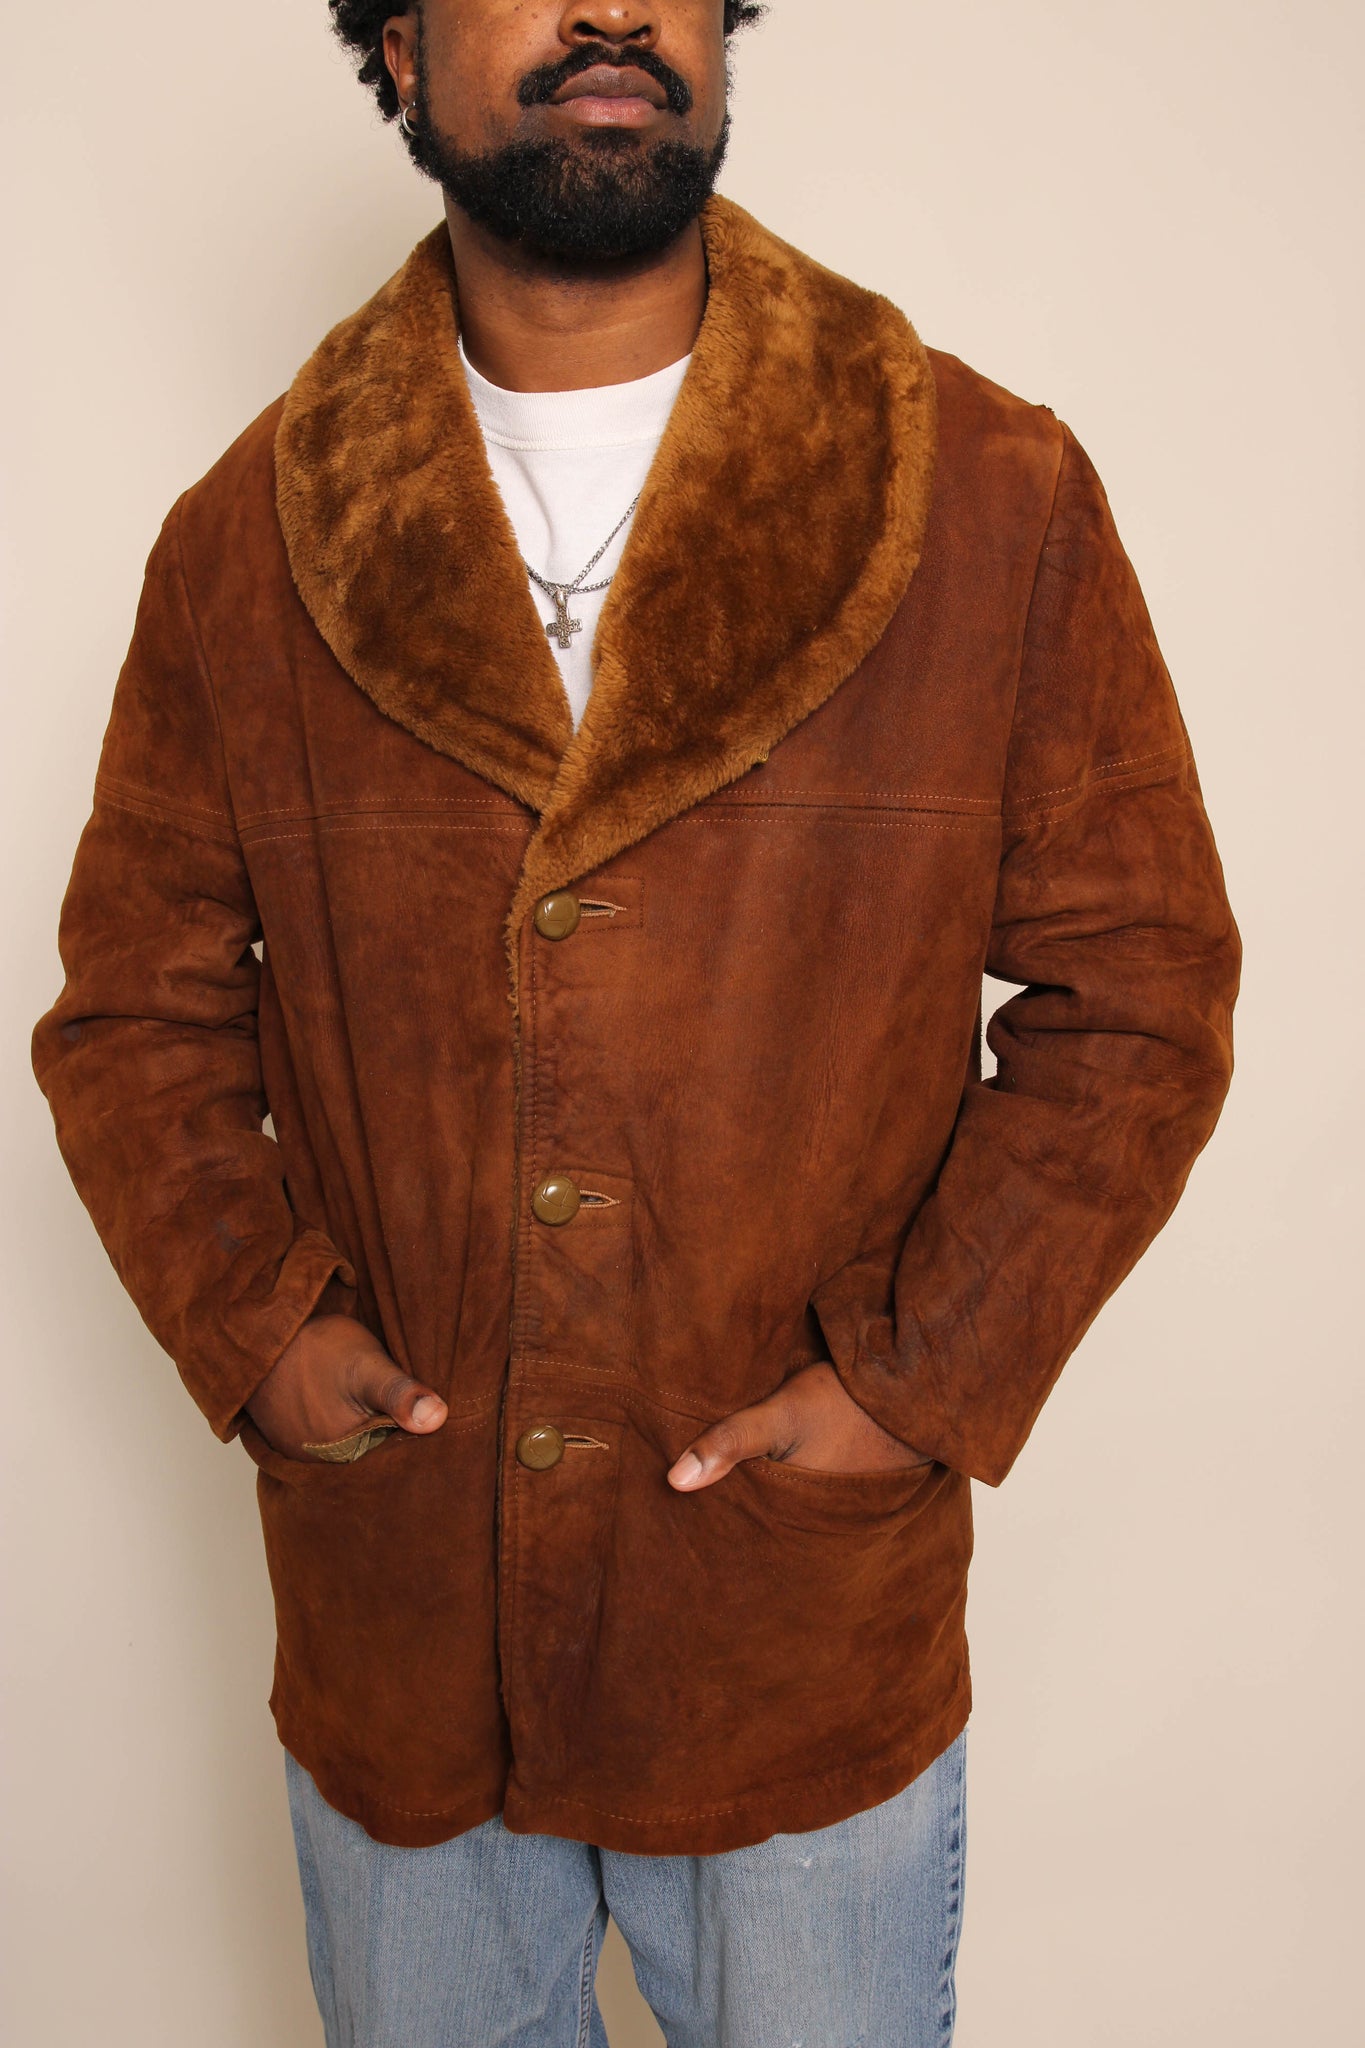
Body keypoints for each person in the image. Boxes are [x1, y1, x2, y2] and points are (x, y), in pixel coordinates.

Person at [32, 2, 1241, 2042]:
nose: (612, 10)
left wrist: (914, 1385)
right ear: (397, 45)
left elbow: (1135, 988)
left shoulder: (981, 489)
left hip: (789, 1613)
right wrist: (261, 1339)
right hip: (403, 1606)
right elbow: (132, 1014)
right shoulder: (251, 537)